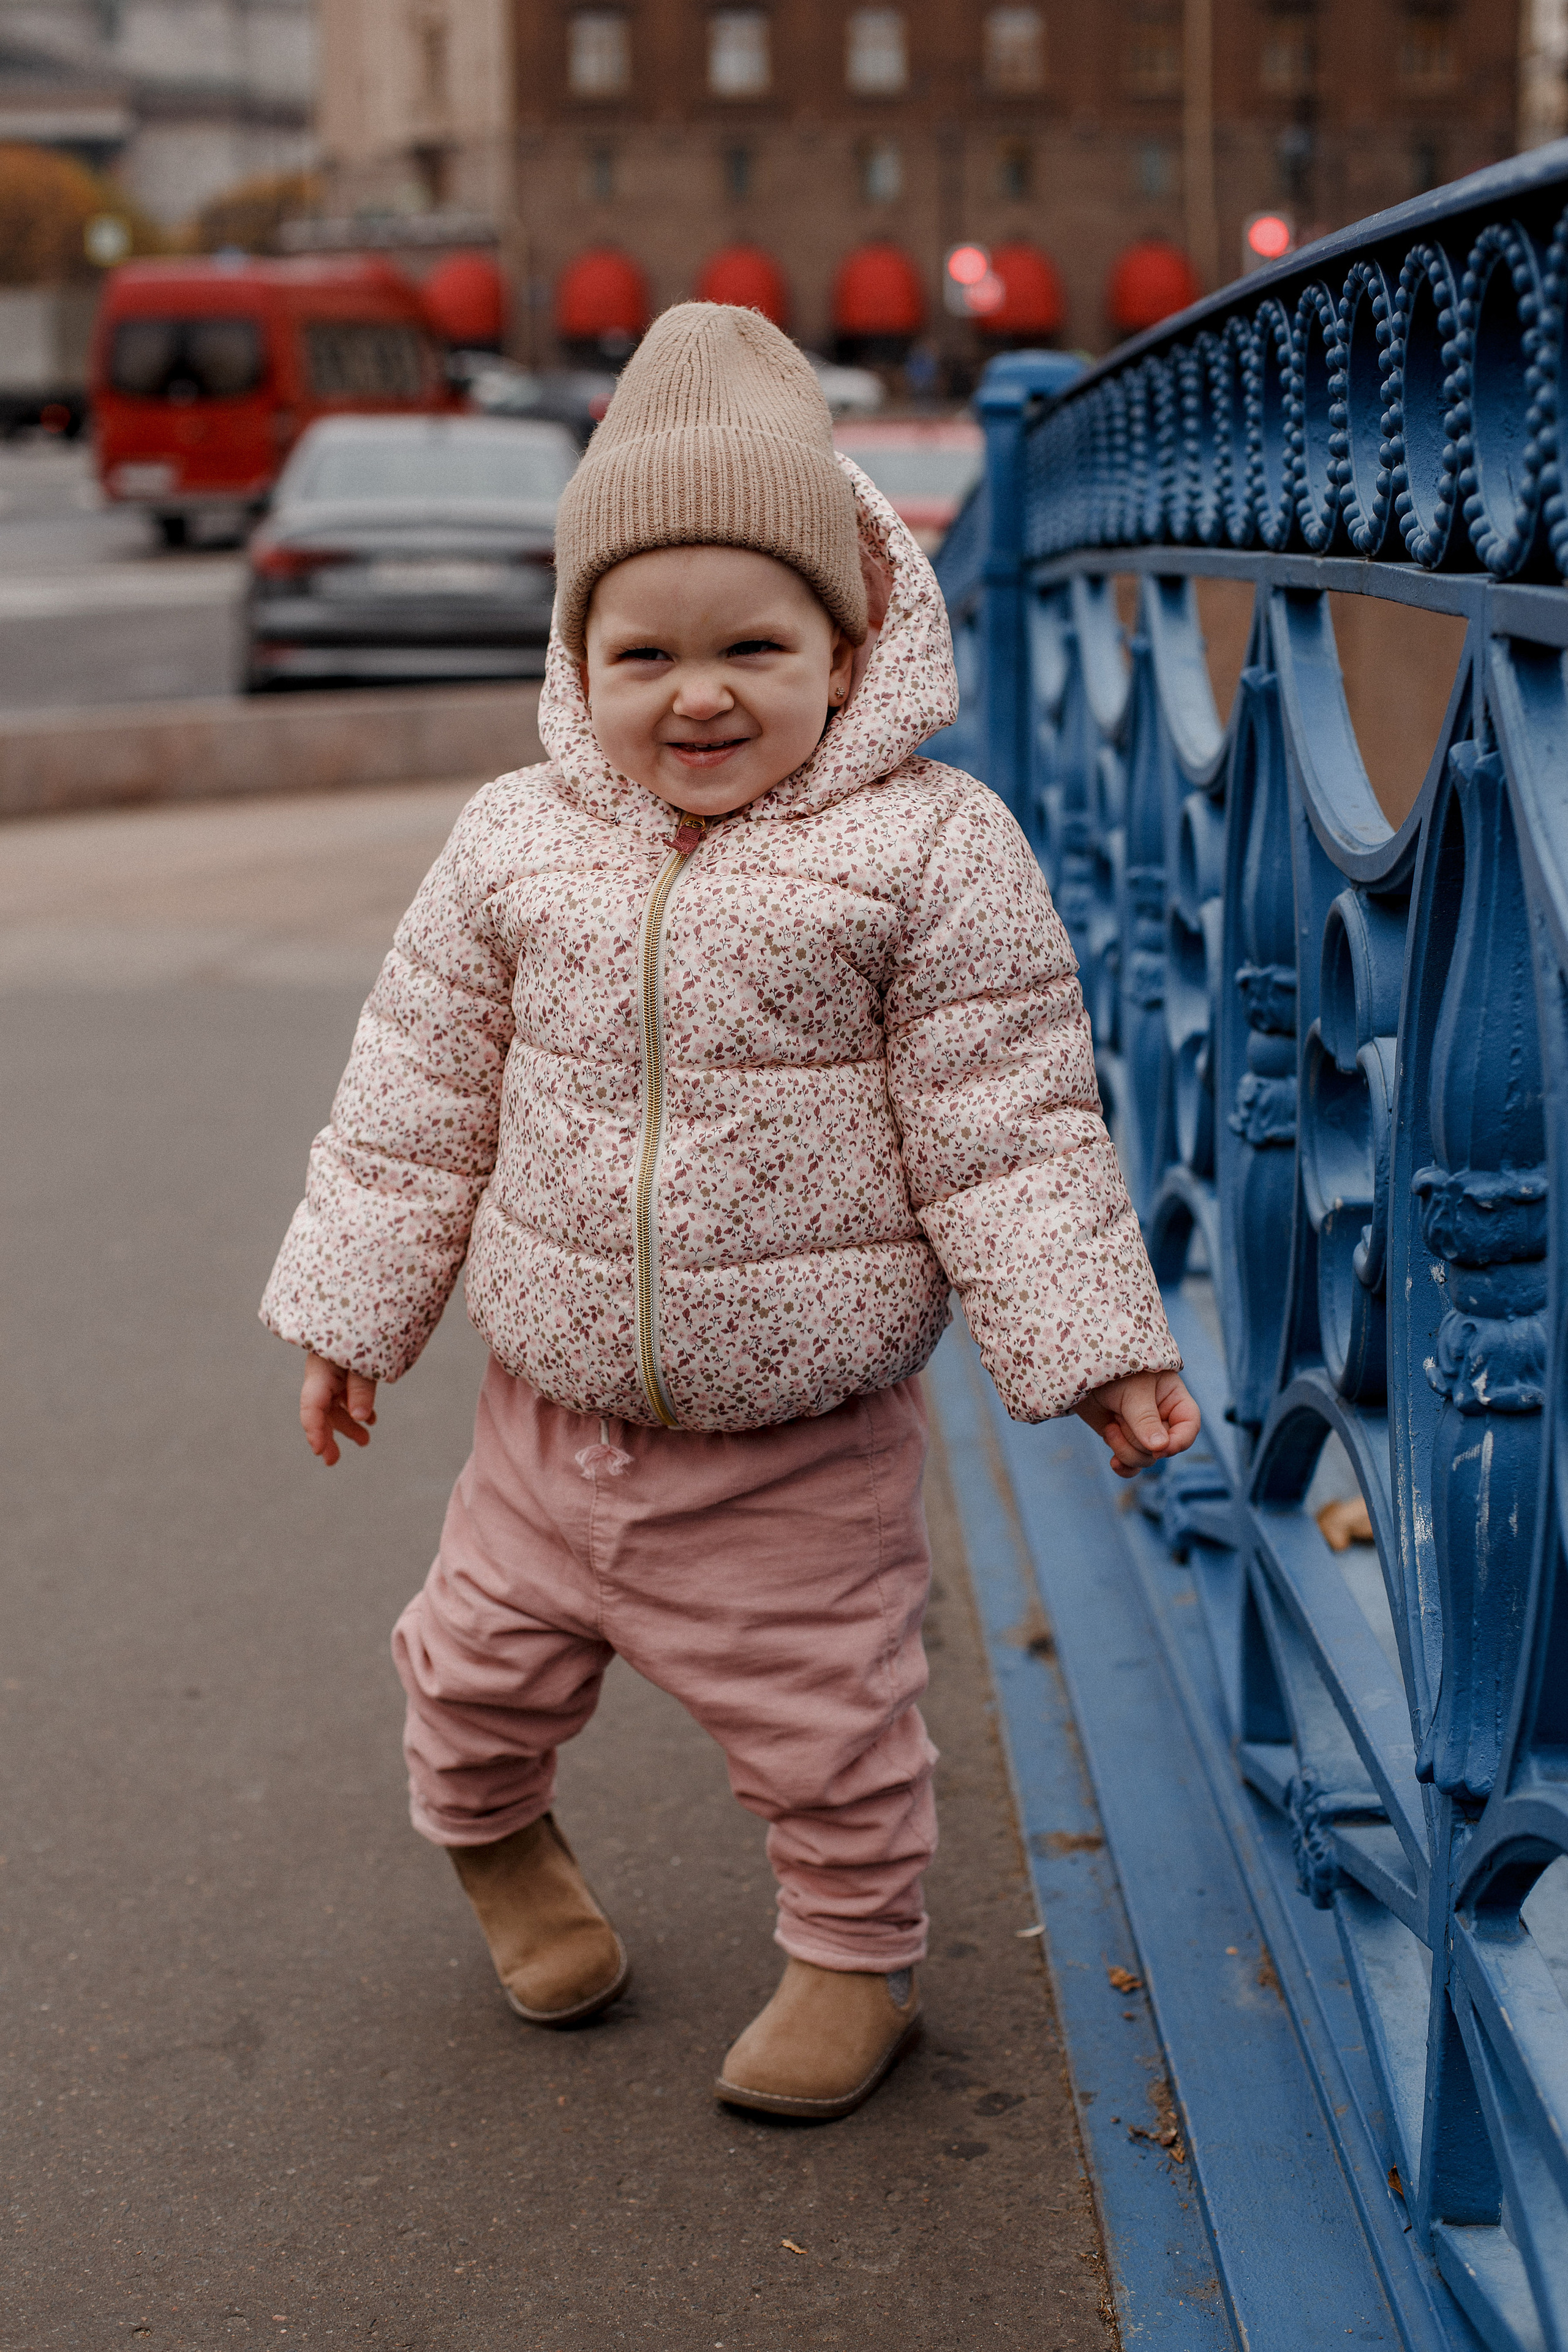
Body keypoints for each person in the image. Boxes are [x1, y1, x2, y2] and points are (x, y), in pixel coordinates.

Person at [260, 302, 1199, 2124]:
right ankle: (503, 1851)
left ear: (849, 654)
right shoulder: (516, 842)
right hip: (546, 1424)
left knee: (831, 1730)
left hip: (799, 1441)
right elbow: (414, 1095)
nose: (698, 693)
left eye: (754, 646)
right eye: (646, 652)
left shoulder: (930, 851)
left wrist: (1095, 1353)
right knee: (468, 1686)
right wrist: (352, 1312)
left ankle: (856, 1964)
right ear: (579, 657)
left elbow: (1008, 1129)